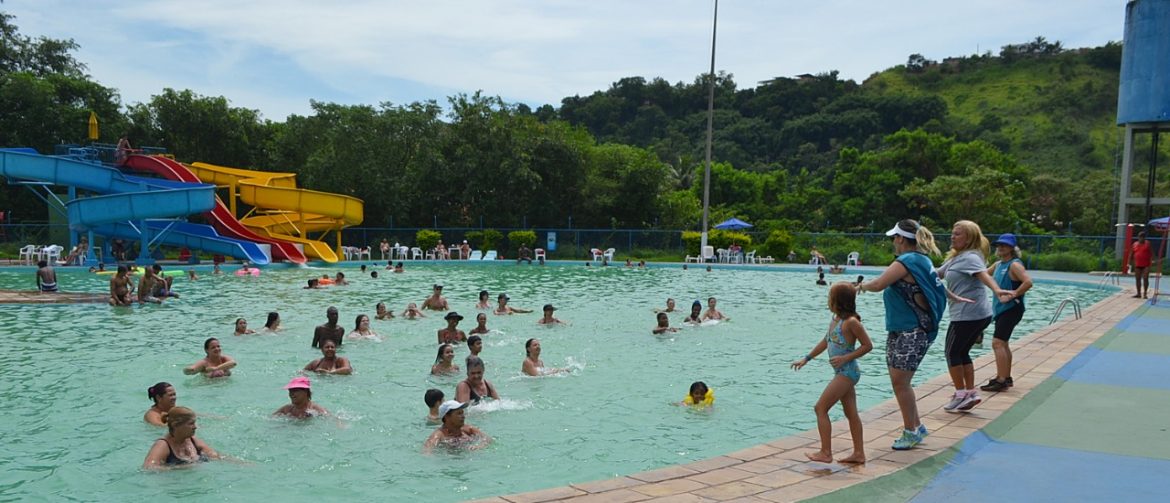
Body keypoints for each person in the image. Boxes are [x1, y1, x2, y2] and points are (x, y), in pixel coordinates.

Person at [857, 219, 947, 451]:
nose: (893, 243)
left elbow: (878, 284)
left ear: (900, 239)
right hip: (904, 328)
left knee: (900, 383)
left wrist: (859, 287)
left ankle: (910, 431)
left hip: (912, 330)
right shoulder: (922, 260)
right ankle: (916, 425)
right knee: (901, 382)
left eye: (894, 238)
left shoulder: (906, 261)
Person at [792, 282, 874, 464]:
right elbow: (826, 340)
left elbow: (868, 345)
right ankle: (859, 454)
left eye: (830, 297)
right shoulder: (836, 319)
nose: (828, 300)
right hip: (841, 372)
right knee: (851, 413)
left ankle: (826, 453)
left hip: (847, 372)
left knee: (820, 408)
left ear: (838, 301)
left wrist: (846, 358)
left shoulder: (852, 322)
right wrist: (806, 358)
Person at [938, 220, 1005, 413]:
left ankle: (960, 394)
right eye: (952, 233)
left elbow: (983, 275)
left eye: (958, 234)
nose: (953, 236)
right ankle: (970, 393)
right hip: (975, 314)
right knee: (962, 352)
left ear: (969, 239)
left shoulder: (970, 258)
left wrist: (997, 290)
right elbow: (938, 274)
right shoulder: (957, 257)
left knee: (951, 353)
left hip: (968, 315)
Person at [981, 233, 1033, 392]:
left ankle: (1001, 379)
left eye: (1004, 245)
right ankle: (1006, 377)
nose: (1001, 248)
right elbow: (982, 275)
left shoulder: (1014, 265)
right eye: (999, 245)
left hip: (1011, 308)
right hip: (1003, 309)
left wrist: (1014, 294)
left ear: (1012, 248)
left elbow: (1028, 282)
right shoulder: (998, 265)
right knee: (1003, 343)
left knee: (997, 342)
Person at [142, 406, 222, 469]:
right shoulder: (163, 445)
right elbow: (149, 467)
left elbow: (214, 455)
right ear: (175, 425)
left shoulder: (193, 440)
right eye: (191, 424)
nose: (195, 427)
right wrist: (182, 468)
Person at [422, 400, 491, 454]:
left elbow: (488, 439)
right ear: (447, 417)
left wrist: (479, 446)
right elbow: (427, 451)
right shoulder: (439, 435)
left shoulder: (469, 429)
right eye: (459, 413)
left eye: (462, 413)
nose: (463, 416)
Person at [1130, 231, 1153, 298]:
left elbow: (1151, 253)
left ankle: (1145, 293)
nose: (1141, 239)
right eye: (1140, 237)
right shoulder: (1135, 244)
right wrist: (1129, 263)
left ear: (1144, 238)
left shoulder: (1148, 244)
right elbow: (1131, 254)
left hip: (1146, 264)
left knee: (1145, 278)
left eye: (1143, 237)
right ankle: (1138, 293)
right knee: (1138, 279)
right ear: (1138, 238)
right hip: (1137, 264)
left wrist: (1153, 260)